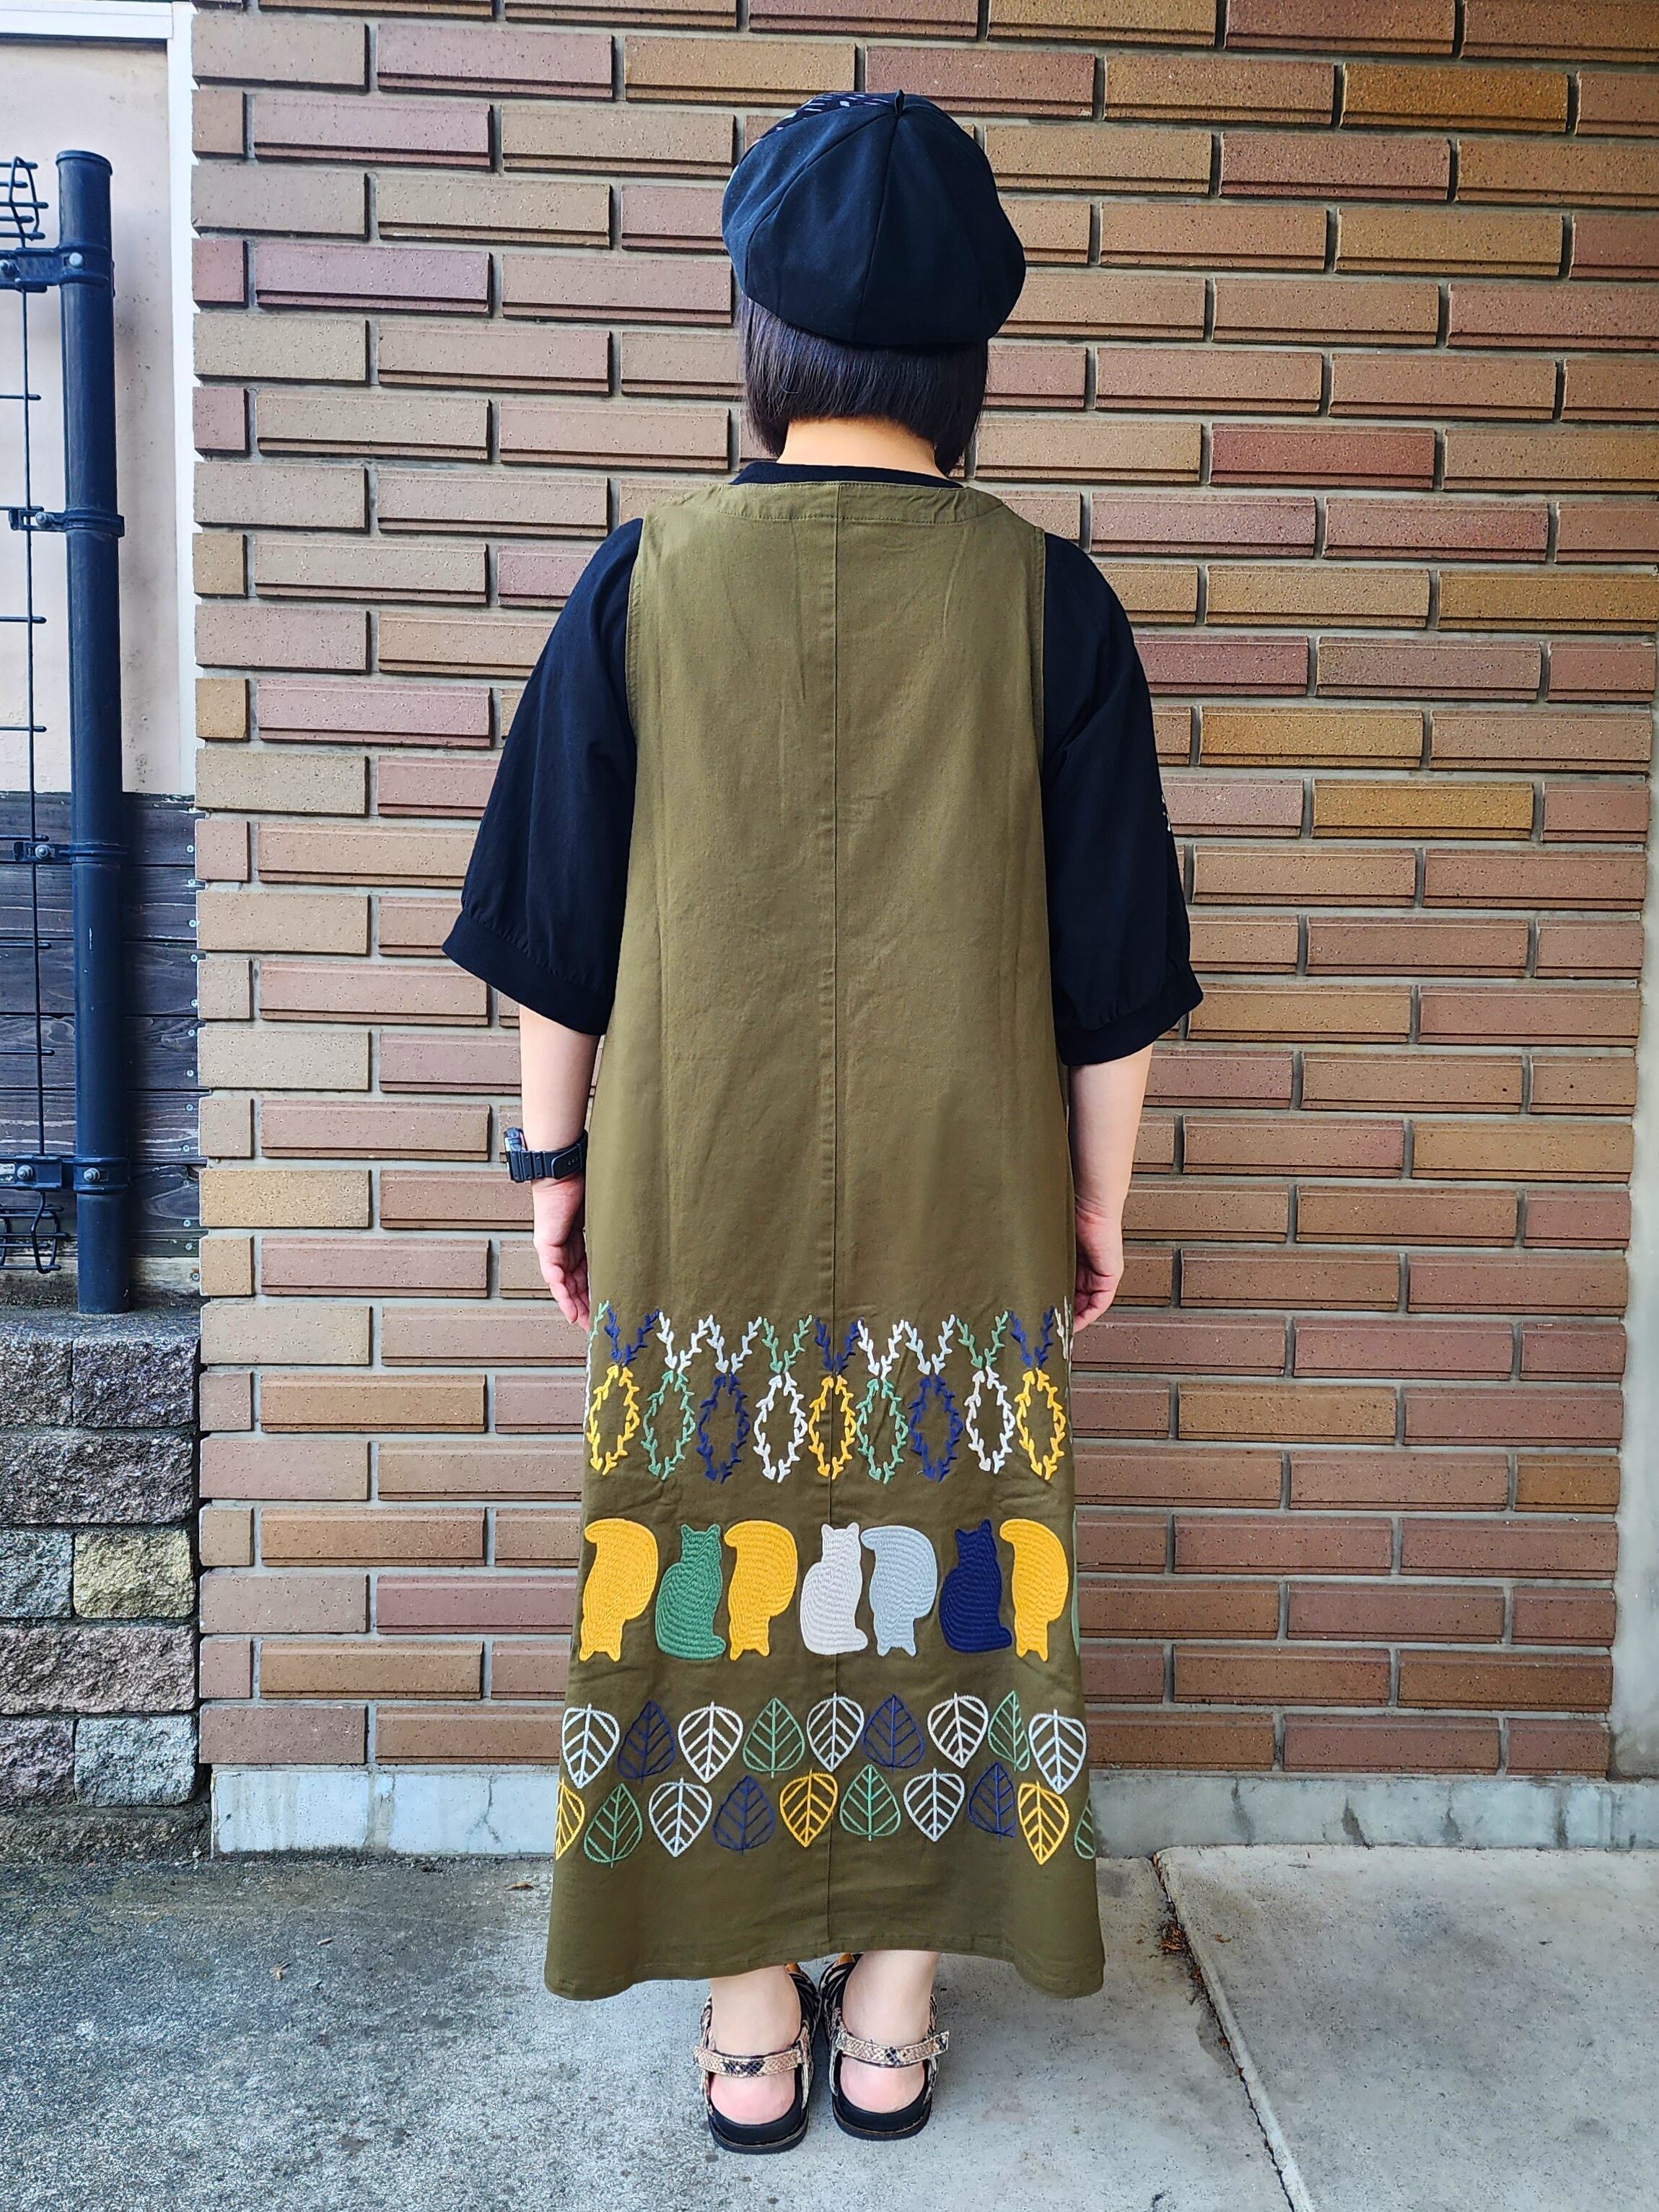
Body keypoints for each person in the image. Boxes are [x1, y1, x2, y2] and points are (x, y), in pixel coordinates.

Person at [445, 88, 1201, 2152]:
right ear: (968, 356)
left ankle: (741, 2024)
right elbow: (1115, 965)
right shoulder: (1054, 605)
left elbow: (555, 931)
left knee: (704, 1548)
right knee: (955, 1546)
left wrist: (552, 1164)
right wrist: (1098, 1199)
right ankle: (887, 2012)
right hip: (972, 1185)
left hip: (699, 1175)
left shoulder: (642, 581)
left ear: (759, 334)